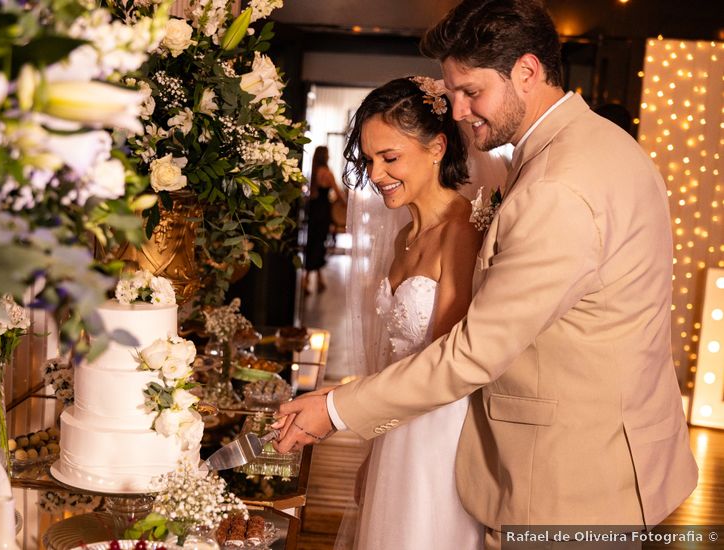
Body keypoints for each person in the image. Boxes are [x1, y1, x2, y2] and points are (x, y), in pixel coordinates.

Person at [273, 1, 698, 548]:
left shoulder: (557, 186)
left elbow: (474, 350)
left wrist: (336, 409)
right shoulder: (602, 145)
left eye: (471, 91)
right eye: (452, 92)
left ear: (527, 71)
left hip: (571, 474)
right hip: (619, 447)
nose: (456, 109)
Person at [335, 76, 485, 549]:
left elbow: (446, 362)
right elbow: (389, 356)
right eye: (369, 159)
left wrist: (341, 409)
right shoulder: (404, 236)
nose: (376, 174)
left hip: (437, 442)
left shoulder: (462, 231)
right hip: (395, 428)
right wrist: (373, 447)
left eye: (390, 158)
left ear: (437, 147)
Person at [302, 146, 341, 294]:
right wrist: (343, 204)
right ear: (325, 156)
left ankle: (317, 279)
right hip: (324, 211)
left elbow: (311, 195)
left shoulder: (314, 172)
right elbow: (338, 193)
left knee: (312, 242)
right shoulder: (327, 173)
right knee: (319, 243)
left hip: (313, 211)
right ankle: (307, 281)